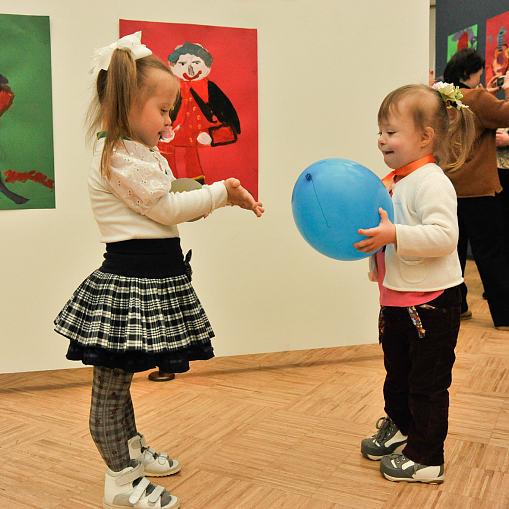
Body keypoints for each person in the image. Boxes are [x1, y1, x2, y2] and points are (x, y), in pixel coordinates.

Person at [54, 32, 264, 509]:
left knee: (121, 381)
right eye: (164, 111)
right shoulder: (117, 156)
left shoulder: (137, 153)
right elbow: (166, 207)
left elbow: (166, 196)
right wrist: (220, 194)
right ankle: (121, 482)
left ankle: (129, 451)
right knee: (109, 390)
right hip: (127, 285)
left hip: (149, 280)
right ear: (128, 105)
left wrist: (210, 192)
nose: (170, 121)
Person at [354, 83, 476, 483]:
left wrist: (394, 237)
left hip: (432, 304)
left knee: (427, 382)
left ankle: (426, 457)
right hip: (397, 299)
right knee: (398, 372)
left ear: (425, 137)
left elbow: (445, 237)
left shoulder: (431, 181)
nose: (381, 139)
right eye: (380, 131)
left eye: (391, 131)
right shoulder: (396, 180)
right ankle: (402, 427)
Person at [443, 48, 509, 330]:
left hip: (447, 190)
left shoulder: (441, 100)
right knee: (491, 255)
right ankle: (505, 317)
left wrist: (487, 93)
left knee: (452, 255)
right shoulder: (477, 99)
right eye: (478, 70)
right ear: (467, 73)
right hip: (479, 192)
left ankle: (459, 308)